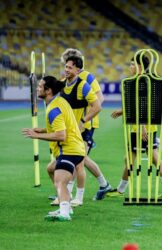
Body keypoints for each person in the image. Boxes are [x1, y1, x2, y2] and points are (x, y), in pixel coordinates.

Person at [107, 54, 162, 198]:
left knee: (131, 159)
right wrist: (123, 111)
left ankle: (120, 190)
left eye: (132, 64)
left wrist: (142, 127)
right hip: (146, 127)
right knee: (151, 158)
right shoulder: (144, 81)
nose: (130, 67)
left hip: (141, 127)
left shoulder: (142, 82)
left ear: (141, 67)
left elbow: (144, 106)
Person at [49, 55, 110, 207]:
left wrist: (83, 121)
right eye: (65, 66)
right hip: (68, 130)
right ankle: (66, 194)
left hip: (83, 130)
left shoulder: (84, 84)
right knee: (59, 165)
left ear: (78, 69)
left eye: (69, 67)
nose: (66, 70)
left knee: (79, 163)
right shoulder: (62, 83)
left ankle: (78, 197)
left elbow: (97, 105)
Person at [22, 76, 85, 221]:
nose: (37, 88)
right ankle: (66, 206)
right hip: (75, 147)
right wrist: (43, 130)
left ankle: (65, 213)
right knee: (51, 169)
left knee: (60, 180)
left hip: (69, 149)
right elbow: (61, 126)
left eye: (40, 86)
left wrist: (36, 136)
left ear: (48, 90)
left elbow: (61, 135)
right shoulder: (58, 101)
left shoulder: (53, 108)